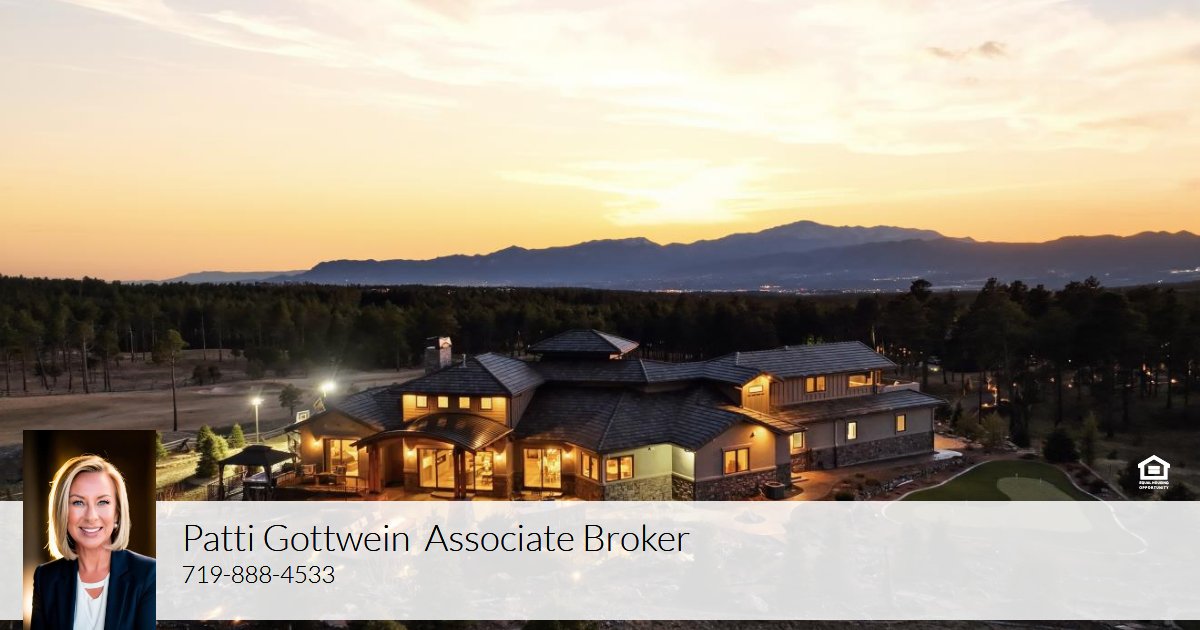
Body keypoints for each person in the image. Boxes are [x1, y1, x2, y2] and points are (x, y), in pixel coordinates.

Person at [31, 454, 155, 630]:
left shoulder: (148, 574)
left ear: (117, 512)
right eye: (78, 502)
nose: (91, 516)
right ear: (62, 512)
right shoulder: (45, 578)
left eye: (103, 502)